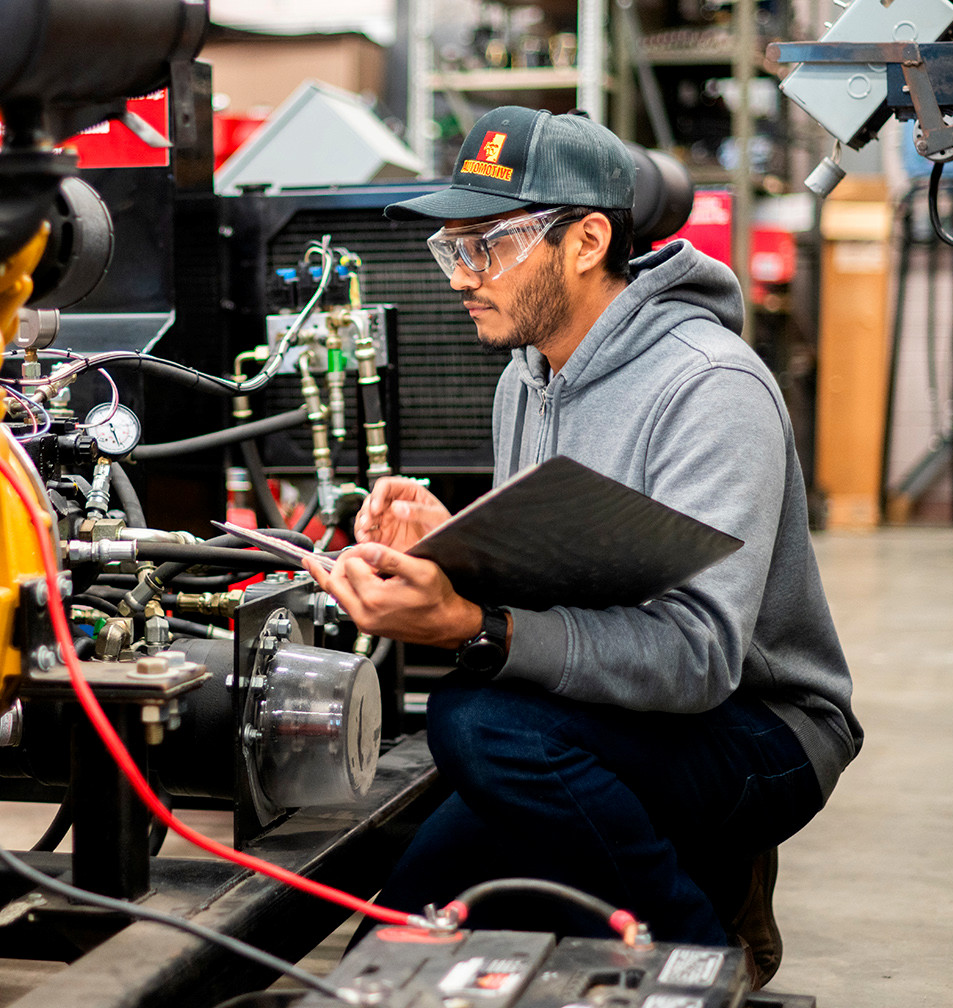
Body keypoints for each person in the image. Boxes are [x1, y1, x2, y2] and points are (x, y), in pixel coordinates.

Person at [303, 106, 861, 987]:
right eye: (454, 251)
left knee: (478, 720)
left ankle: (702, 955)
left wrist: (477, 629)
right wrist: (444, 547)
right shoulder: (529, 376)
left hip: (759, 726)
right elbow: (567, 563)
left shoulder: (708, 388)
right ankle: (684, 864)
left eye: (485, 247)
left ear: (587, 240)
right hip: (613, 713)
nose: (460, 278)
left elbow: (700, 657)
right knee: (405, 920)